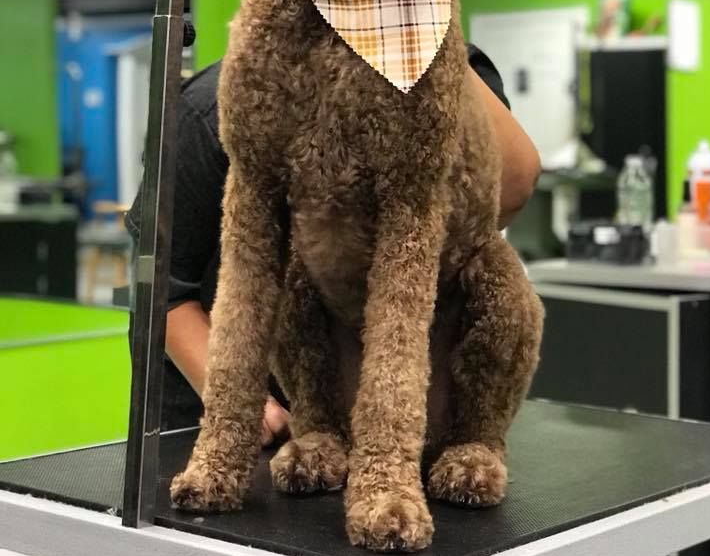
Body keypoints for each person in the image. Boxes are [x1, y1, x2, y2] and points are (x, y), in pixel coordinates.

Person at [125, 46, 540, 441]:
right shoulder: (214, 110)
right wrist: (242, 404)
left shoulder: (453, 73)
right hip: (253, 409)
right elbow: (163, 289)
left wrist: (430, 44)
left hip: (411, 407)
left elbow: (511, 190)